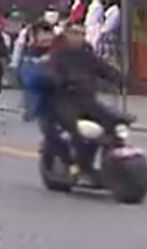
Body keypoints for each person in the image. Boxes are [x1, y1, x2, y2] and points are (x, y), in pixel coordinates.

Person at [39, 23, 125, 181]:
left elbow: (103, 68)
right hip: (64, 102)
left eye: (81, 33)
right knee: (78, 131)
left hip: (87, 102)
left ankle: (114, 164)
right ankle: (77, 166)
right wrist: (59, 80)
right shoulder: (57, 55)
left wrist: (119, 78)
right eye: (75, 33)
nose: (79, 37)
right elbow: (49, 72)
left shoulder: (87, 55)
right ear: (66, 35)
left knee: (112, 121)